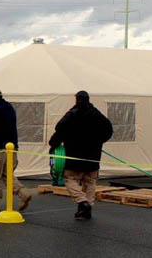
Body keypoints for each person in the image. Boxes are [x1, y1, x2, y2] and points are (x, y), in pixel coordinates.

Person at [48, 91, 113, 220]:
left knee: (69, 179)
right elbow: (109, 130)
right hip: (93, 156)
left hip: (75, 156)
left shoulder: (72, 114)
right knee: (90, 182)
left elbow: (60, 129)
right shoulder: (97, 114)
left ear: (77, 100)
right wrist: (99, 141)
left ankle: (82, 201)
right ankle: (87, 209)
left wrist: (53, 144)